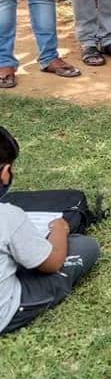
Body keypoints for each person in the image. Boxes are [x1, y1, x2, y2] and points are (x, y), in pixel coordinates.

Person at [0, 127, 101, 334]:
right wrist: (60, 229)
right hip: (7, 311)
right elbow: (52, 263)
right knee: (85, 245)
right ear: (4, 172)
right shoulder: (8, 216)